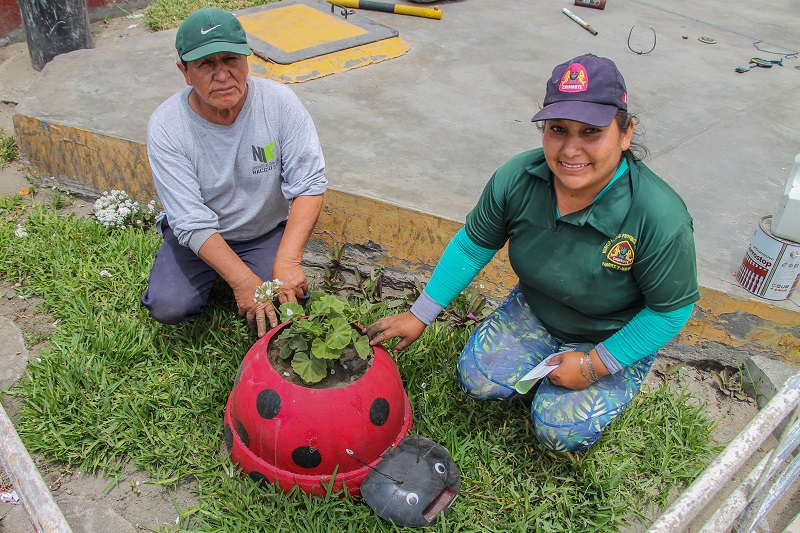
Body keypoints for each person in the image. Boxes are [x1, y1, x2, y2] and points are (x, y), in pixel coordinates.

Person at [366, 54, 699, 452]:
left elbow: (670, 310)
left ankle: (612, 370)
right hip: (537, 309)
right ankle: (542, 358)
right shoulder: (518, 178)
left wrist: (595, 365)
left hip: (611, 331)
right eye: (558, 129)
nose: (571, 149)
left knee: (559, 431)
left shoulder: (659, 215)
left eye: (592, 132)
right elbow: (474, 246)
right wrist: (420, 314)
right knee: (479, 382)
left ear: (626, 133)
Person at [141, 8, 327, 338]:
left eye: (231, 59)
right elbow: (190, 220)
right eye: (206, 64)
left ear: (247, 59)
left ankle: (254, 266)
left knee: (288, 305)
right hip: (197, 237)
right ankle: (222, 272)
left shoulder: (280, 103)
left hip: (262, 230)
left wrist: (287, 261)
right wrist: (242, 282)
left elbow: (309, 185)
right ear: (185, 72)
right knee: (169, 306)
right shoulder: (167, 126)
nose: (223, 75)